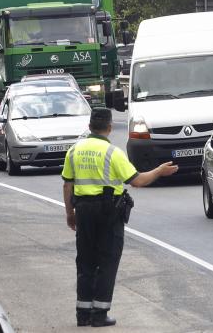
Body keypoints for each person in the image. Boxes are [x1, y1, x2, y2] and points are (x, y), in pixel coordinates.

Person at [62, 108, 178, 327]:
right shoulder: (112, 153)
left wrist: (70, 213)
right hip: (108, 213)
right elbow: (137, 181)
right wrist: (159, 171)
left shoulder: (74, 151)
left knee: (85, 261)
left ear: (89, 127)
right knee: (107, 261)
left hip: (84, 211)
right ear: (109, 128)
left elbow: (68, 184)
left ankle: (83, 314)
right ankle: (99, 314)